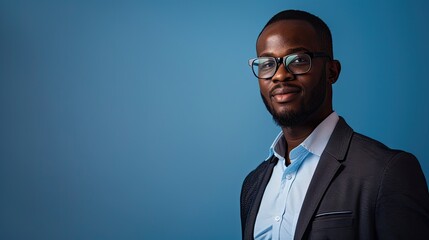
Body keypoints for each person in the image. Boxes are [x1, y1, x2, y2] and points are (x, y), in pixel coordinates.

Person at [240, 9, 429, 240]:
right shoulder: (253, 184)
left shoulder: (386, 171)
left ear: (332, 71)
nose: (280, 75)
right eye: (267, 64)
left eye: (298, 60)